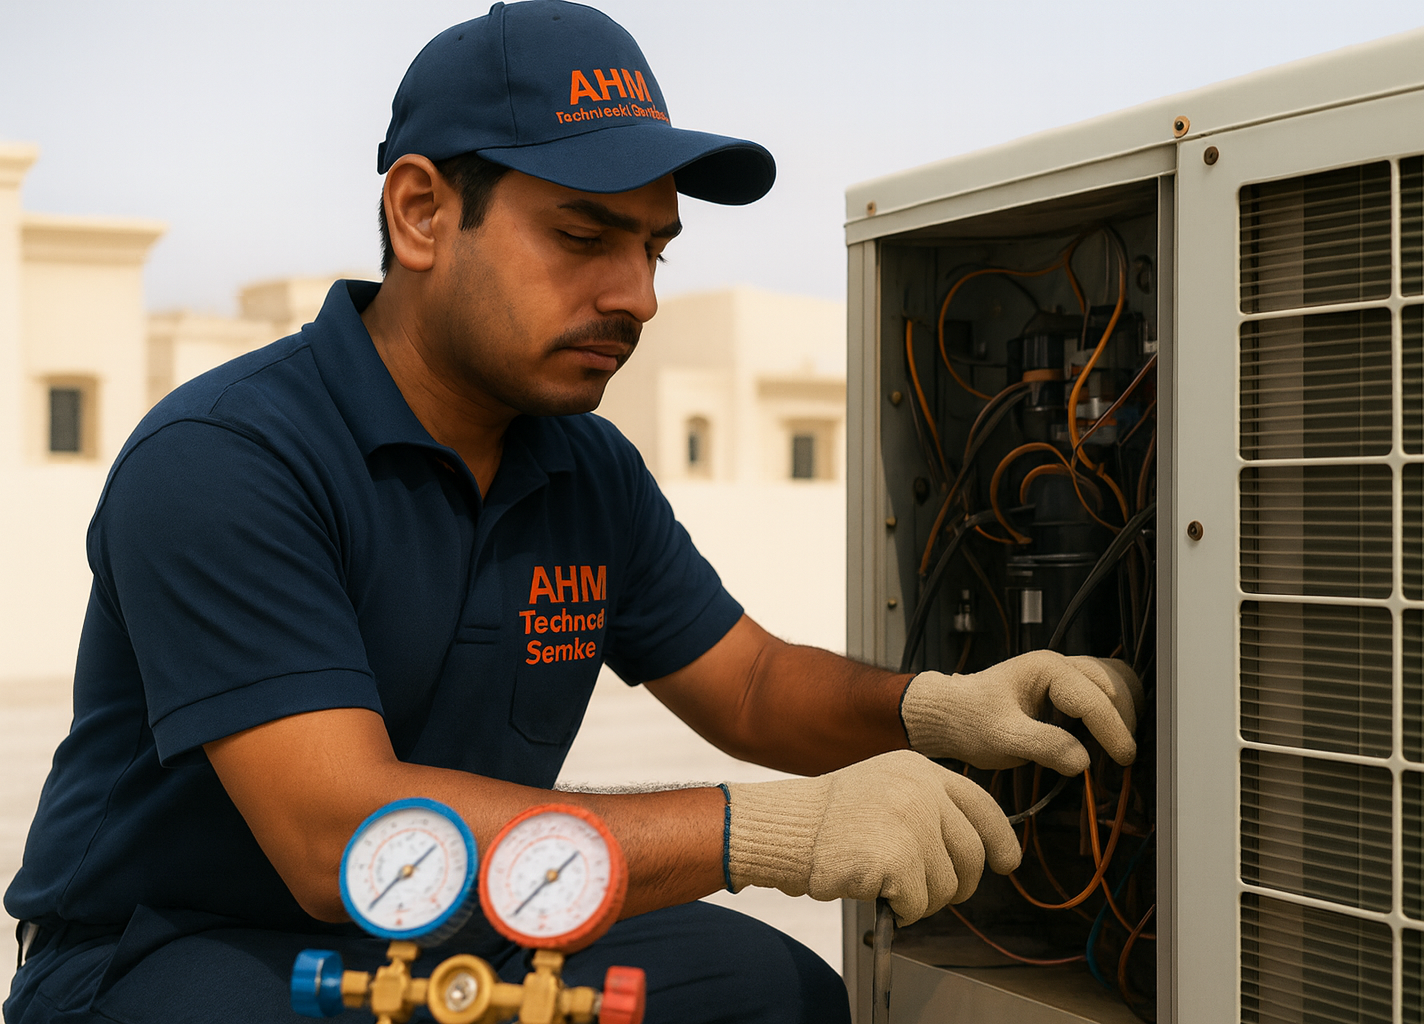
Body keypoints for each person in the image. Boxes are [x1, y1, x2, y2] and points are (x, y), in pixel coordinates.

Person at [3, 3, 1142, 1022]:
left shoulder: (584, 468)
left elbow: (748, 683)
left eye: (654, 249)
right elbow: (341, 837)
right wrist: (769, 831)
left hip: (458, 923)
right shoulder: (230, 457)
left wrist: (937, 709)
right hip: (184, 948)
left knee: (775, 992)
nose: (637, 295)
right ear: (421, 213)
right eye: (585, 238)